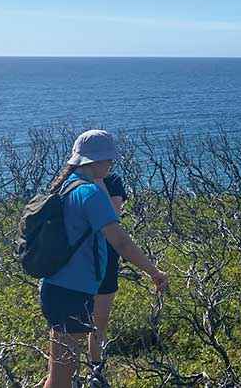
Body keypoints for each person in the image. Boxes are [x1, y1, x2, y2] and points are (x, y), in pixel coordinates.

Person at [38, 130, 167, 388]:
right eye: (108, 159)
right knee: (62, 379)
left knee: (59, 373)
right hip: (70, 291)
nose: (111, 164)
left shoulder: (65, 185)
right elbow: (120, 241)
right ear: (95, 161)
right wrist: (155, 272)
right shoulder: (90, 193)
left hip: (56, 287)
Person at [86, 170, 127, 384]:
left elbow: (112, 217)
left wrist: (99, 181)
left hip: (106, 260)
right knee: (72, 324)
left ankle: (95, 370)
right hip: (78, 261)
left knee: (98, 321)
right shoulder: (74, 180)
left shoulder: (112, 181)